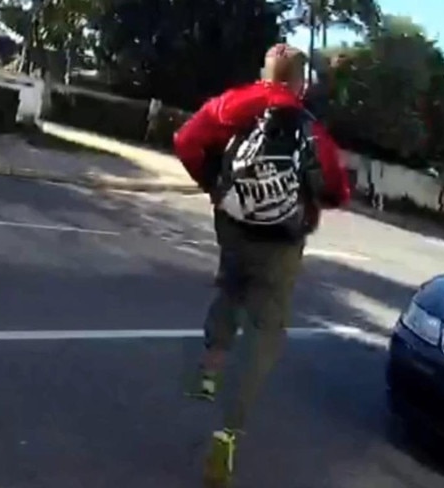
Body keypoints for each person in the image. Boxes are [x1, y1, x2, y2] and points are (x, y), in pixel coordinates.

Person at [173, 43, 351, 487]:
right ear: (300, 83)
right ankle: (227, 434)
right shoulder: (308, 126)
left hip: (233, 224)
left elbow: (186, 141)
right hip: (280, 244)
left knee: (231, 284)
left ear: (263, 73)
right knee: (265, 332)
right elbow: (336, 189)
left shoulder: (234, 103)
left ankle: (210, 371)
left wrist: (214, 184)